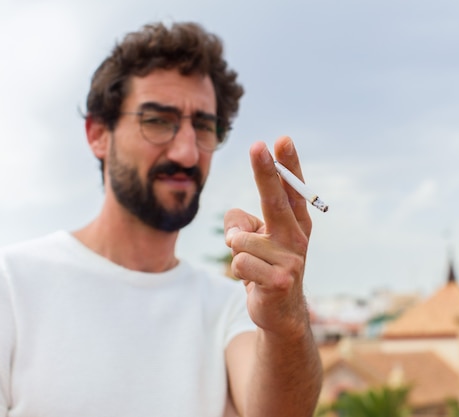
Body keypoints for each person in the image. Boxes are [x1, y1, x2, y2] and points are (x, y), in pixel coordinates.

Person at [0, 22, 322, 417]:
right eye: (157, 121)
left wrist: (286, 319)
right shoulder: (11, 285)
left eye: (204, 127)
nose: (187, 153)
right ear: (98, 134)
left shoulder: (228, 306)